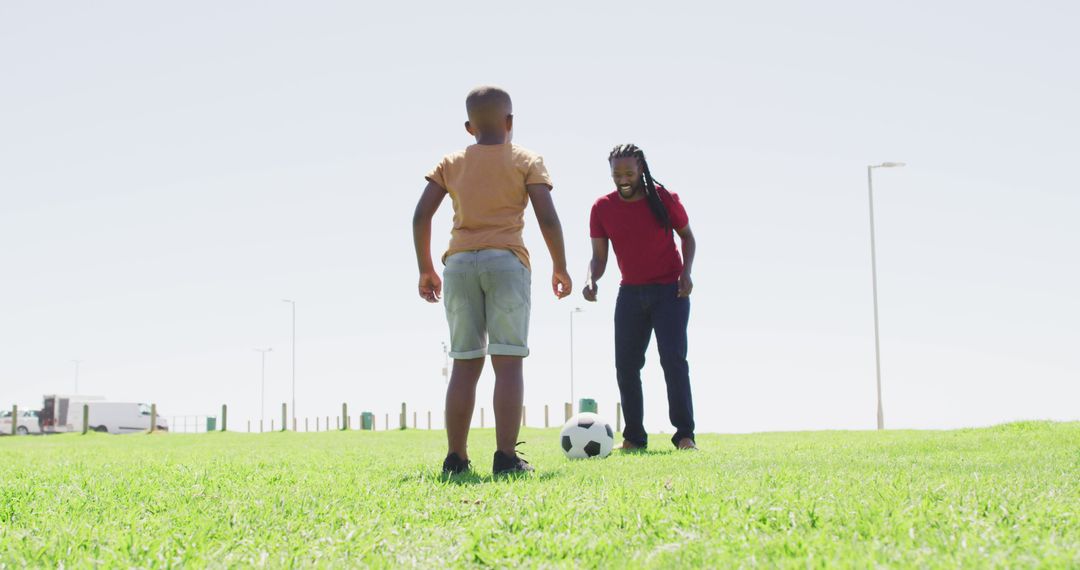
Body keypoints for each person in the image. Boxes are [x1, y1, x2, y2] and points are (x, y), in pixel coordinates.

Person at [412, 86, 572, 475]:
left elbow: (421, 216)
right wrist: (560, 265)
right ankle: (505, 457)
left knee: (464, 363)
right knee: (508, 363)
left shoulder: (451, 162)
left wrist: (426, 268)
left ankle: (456, 458)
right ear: (510, 122)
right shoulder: (526, 159)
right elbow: (547, 217)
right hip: (506, 262)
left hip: (460, 264)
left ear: (469, 127)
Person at [583, 143, 698, 450]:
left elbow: (687, 237)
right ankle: (634, 437)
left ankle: (684, 435)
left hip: (670, 292)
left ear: (641, 170)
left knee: (673, 360)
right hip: (630, 293)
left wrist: (686, 272)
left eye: (629, 172)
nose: (623, 178)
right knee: (626, 365)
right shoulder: (602, 208)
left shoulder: (663, 199)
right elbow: (599, 257)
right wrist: (591, 279)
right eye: (616, 173)